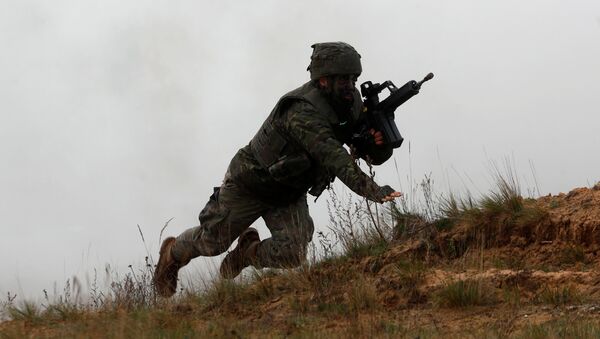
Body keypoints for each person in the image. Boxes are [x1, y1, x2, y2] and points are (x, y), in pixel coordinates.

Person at [153, 42, 402, 297]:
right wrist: (373, 190)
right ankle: (171, 254)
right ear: (324, 80)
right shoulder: (301, 111)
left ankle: (248, 253)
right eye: (344, 79)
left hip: (288, 192)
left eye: (354, 78)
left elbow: (364, 149)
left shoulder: (350, 103)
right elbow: (335, 157)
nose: (350, 85)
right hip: (249, 184)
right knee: (212, 242)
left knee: (292, 253)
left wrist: (377, 144)